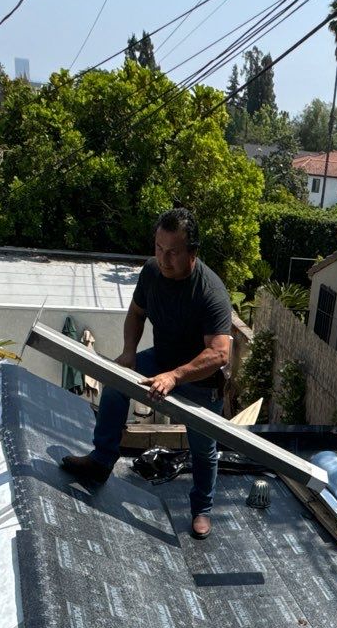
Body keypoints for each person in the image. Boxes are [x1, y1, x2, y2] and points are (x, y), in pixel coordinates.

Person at [60, 207, 233, 539]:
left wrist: (175, 376)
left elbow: (219, 353)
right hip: (161, 359)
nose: (164, 259)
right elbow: (136, 313)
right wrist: (129, 351)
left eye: (173, 252)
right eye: (158, 248)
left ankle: (201, 508)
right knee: (115, 383)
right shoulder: (152, 272)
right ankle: (101, 460)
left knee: (202, 447)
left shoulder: (210, 291)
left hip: (201, 378)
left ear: (193, 253)